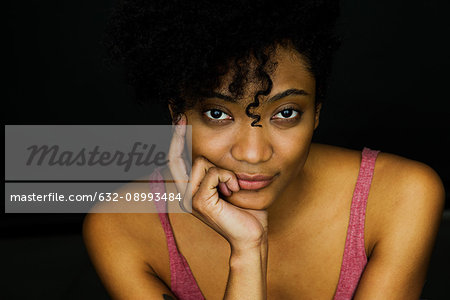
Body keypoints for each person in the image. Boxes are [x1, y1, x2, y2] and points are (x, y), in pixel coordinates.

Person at [82, 1, 445, 299]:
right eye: (218, 113)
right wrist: (247, 252)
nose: (253, 155)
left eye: (286, 113)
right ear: (178, 116)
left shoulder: (400, 196)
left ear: (316, 112)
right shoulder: (120, 227)